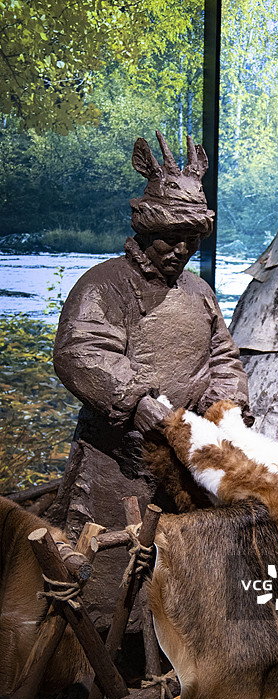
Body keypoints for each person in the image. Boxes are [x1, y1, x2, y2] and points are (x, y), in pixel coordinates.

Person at [49, 132, 250, 543]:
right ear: (145, 229)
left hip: (188, 463)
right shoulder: (104, 285)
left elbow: (223, 356)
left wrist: (225, 404)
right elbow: (80, 351)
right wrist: (136, 400)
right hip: (117, 465)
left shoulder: (199, 292)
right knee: (110, 578)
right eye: (169, 238)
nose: (180, 250)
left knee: (183, 577)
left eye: (190, 240)